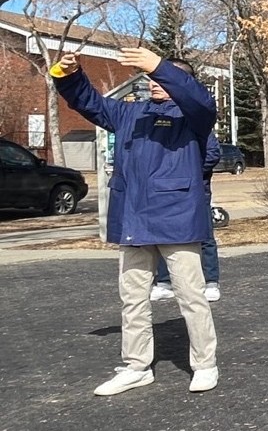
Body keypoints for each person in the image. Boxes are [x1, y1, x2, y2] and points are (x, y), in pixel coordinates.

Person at [51, 47, 220, 395]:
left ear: (181, 81)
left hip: (177, 217)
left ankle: (204, 364)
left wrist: (159, 65)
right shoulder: (130, 112)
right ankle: (136, 366)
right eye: (152, 78)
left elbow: (201, 102)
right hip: (133, 217)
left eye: (162, 77)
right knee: (133, 298)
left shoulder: (194, 116)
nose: (153, 82)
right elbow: (89, 102)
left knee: (191, 296)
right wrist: (69, 74)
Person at [152, 132, 222, 303]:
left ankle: (211, 282)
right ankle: (164, 282)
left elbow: (213, 154)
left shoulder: (200, 128)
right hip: (167, 192)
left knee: (205, 238)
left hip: (197, 193)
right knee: (164, 237)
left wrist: (186, 171)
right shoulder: (163, 131)